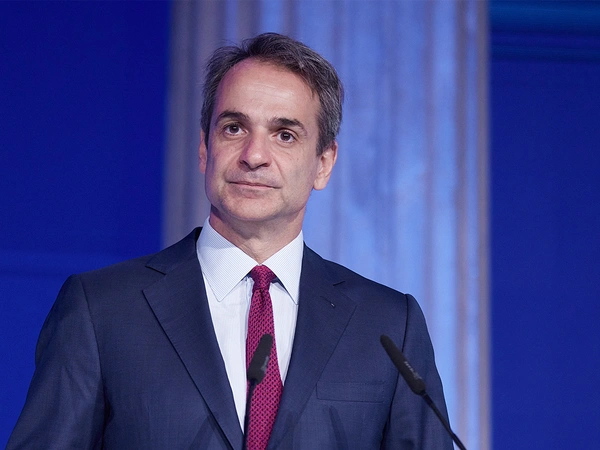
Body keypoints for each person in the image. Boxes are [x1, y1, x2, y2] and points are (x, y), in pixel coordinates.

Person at [8, 33, 453, 449]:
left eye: (284, 135)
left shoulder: (388, 325)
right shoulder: (102, 310)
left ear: (323, 163)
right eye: (234, 128)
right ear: (205, 148)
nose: (254, 156)